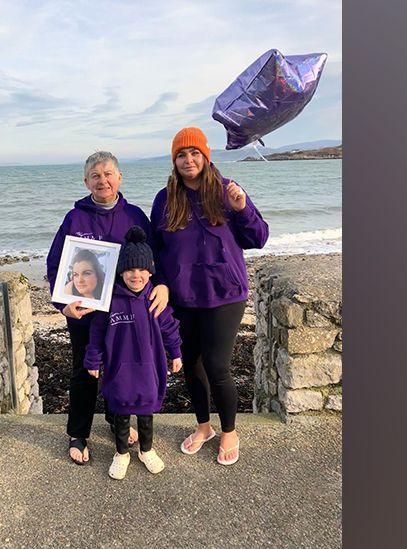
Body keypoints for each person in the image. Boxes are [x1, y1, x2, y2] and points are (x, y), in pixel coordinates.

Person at [149, 127, 269, 466]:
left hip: (225, 294)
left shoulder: (227, 190)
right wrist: (159, 281)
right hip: (183, 298)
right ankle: (204, 427)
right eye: (182, 155)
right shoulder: (165, 199)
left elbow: (258, 238)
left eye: (194, 153)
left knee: (217, 366)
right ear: (174, 160)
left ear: (206, 156)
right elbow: (154, 249)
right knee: (192, 365)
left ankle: (229, 430)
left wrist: (242, 208)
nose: (189, 160)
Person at [46, 151, 170, 465]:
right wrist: (63, 304)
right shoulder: (75, 218)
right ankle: (78, 432)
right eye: (96, 175)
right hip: (84, 313)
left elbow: (155, 260)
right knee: (84, 371)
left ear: (119, 178)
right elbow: (55, 264)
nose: (103, 180)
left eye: (108, 173)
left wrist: (162, 285)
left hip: (126, 314)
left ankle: (118, 419)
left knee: (124, 369)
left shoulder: (136, 216)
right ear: (86, 181)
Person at [84, 226, 183, 479]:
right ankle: (121, 453)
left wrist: (176, 353)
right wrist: (93, 360)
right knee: (120, 412)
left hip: (149, 368)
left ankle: (146, 450)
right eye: (129, 269)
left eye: (141, 270)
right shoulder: (109, 300)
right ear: (121, 272)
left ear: (150, 271)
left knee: (146, 412)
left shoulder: (155, 299)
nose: (135, 275)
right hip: (119, 369)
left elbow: (170, 328)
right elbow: (96, 333)